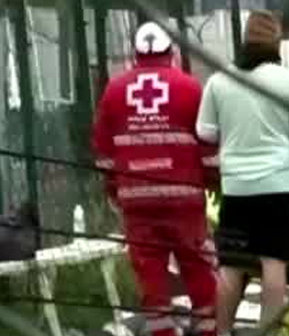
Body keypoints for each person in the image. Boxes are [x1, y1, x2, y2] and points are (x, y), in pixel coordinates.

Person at [93, 22, 218, 336]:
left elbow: (103, 150)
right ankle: (207, 331)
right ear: (172, 52)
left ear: (134, 55)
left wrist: (114, 189)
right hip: (184, 199)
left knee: (151, 278)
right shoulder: (190, 87)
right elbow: (207, 145)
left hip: (137, 201)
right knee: (198, 269)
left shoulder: (115, 90)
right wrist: (212, 181)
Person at [197, 11, 289, 332]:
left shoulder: (220, 81)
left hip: (236, 187)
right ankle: (268, 330)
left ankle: (222, 331)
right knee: (273, 263)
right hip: (279, 183)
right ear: (275, 42)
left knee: (232, 266)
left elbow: (205, 131)